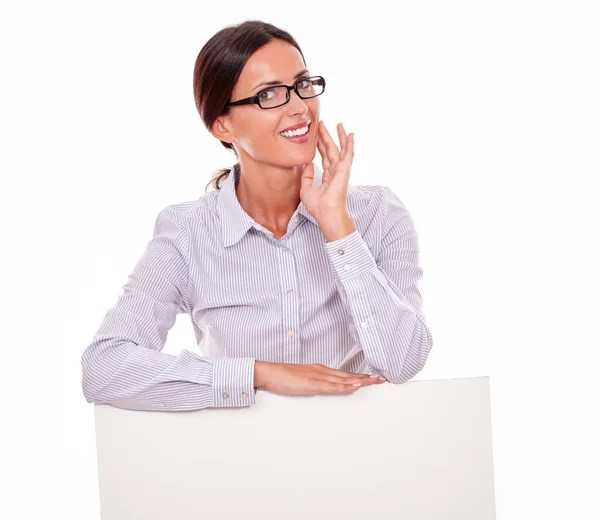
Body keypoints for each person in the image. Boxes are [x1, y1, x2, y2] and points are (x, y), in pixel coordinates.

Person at [80, 20, 433, 412]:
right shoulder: (188, 235)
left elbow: (402, 361)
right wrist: (257, 374)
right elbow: (104, 368)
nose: (300, 108)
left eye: (302, 85)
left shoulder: (379, 214)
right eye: (269, 95)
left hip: (360, 456)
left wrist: (337, 227)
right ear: (222, 125)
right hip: (242, 462)